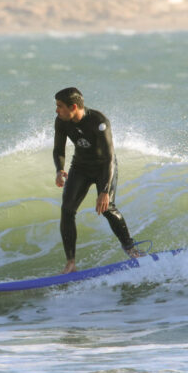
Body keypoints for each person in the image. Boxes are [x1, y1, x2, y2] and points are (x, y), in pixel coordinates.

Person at [53, 87, 142, 274]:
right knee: (67, 210)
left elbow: (109, 158)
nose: (56, 110)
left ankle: (131, 249)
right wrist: (60, 170)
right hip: (80, 167)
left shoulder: (99, 122)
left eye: (60, 106)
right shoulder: (61, 121)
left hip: (103, 167)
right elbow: (59, 149)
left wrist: (104, 190)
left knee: (108, 208)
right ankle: (70, 263)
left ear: (74, 107)